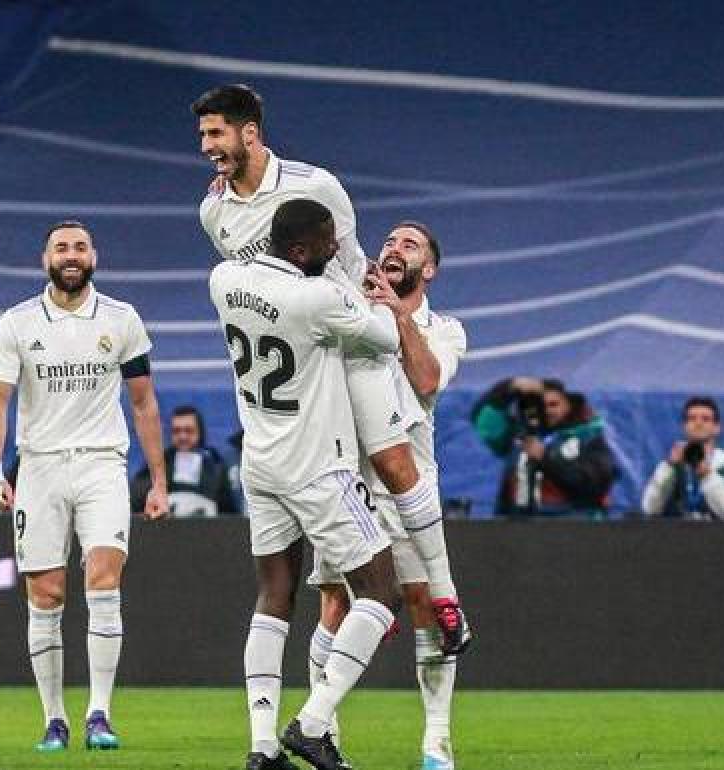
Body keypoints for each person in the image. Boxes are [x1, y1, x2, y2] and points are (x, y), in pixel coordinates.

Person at [192, 82, 467, 642]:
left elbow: (352, 261)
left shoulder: (316, 185)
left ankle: (444, 594)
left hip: (355, 342)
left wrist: (376, 313)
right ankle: (363, 615)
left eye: (215, 133)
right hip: (305, 364)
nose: (206, 146)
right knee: (331, 512)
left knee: (394, 462)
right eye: (203, 135)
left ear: (250, 133)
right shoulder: (213, 210)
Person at [211, 198, 421, 770]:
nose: (337, 250)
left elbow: (241, 259)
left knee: (273, 595)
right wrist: (375, 296)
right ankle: (313, 722)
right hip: (319, 466)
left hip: (260, 462)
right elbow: (384, 337)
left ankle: (261, 747)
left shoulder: (223, 280)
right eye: (329, 242)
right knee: (380, 591)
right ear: (302, 249)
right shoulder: (318, 298)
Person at [0, 220, 170, 753]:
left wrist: (158, 480)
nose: (71, 255)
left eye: (80, 247)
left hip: (101, 463)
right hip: (39, 467)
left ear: (94, 257)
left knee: (104, 581)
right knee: (46, 594)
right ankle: (54, 719)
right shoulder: (17, 322)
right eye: (61, 247)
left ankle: (99, 714)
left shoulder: (121, 318)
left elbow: (143, 402)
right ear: (46, 259)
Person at [309, 222, 469, 770]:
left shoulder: (445, 329)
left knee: (426, 607)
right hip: (348, 483)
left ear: (430, 269)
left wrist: (398, 316)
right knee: (336, 603)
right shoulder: (351, 310)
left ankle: (436, 741)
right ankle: (323, 732)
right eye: (391, 242)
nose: (394, 248)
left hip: (409, 489)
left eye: (410, 244)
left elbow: (426, 382)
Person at [471, 377, 615, 517]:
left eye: (554, 405)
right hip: (518, 526)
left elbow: (595, 485)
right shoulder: (518, 436)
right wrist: (508, 387)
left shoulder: (590, 437)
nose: (547, 411)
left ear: (570, 405)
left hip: (574, 526)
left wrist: (545, 458)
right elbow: (484, 421)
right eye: (541, 406)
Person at [641, 396, 724, 520]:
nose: (698, 423)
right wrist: (668, 468)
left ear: (717, 428)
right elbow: (649, 508)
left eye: (705, 419)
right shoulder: (672, 466)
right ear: (684, 426)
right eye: (692, 419)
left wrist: (707, 476)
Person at [130, 404, 238, 516]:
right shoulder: (159, 463)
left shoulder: (215, 464)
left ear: (200, 432)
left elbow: (228, 509)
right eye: (177, 431)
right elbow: (137, 498)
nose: (183, 436)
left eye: (189, 430)